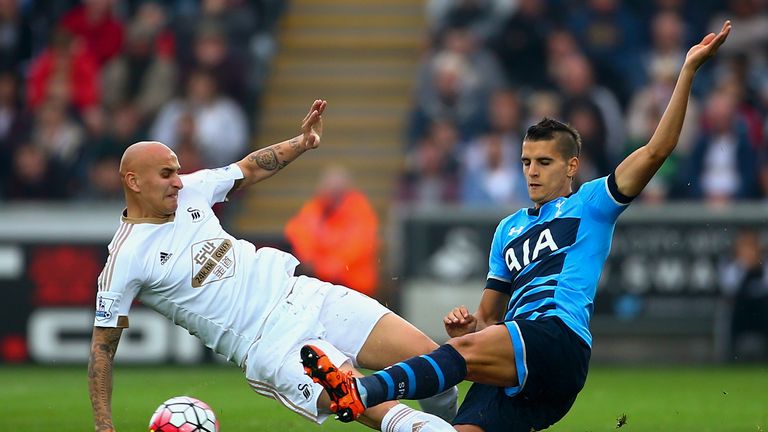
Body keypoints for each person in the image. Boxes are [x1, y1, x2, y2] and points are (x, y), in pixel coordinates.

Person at [302, 22, 733, 432]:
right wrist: (467, 329)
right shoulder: (507, 229)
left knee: (456, 355)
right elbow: (489, 318)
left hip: (555, 341)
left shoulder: (592, 203)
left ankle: (361, 390)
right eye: (526, 162)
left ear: (572, 166)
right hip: (512, 356)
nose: (532, 171)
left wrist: (688, 71)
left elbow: (658, 150)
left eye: (544, 162)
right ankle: (373, 389)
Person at [88, 100, 459, 432]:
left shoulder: (193, 189)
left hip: (305, 294)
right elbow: (102, 349)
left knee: (437, 367)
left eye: (176, 171)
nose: (177, 182)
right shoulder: (126, 258)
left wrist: (302, 143)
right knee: (390, 414)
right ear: (133, 182)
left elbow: (248, 169)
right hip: (273, 345)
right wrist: (104, 427)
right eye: (166, 174)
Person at [284, 165, 379, 297]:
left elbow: (358, 245)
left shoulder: (359, 209)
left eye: (337, 190)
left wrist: (325, 265)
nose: (332, 193)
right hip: (323, 285)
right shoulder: (315, 208)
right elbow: (297, 231)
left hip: (354, 287)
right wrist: (313, 259)